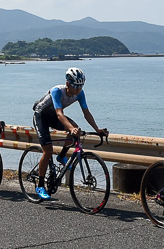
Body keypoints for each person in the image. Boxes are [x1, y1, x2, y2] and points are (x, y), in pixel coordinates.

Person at [31, 67, 108, 200]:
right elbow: (60, 114)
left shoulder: (80, 93)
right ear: (67, 84)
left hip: (55, 116)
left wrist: (97, 129)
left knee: (76, 130)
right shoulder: (57, 91)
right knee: (47, 150)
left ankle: (61, 156)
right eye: (75, 86)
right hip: (41, 116)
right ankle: (40, 185)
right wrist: (70, 128)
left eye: (80, 86)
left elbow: (86, 113)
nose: (78, 90)